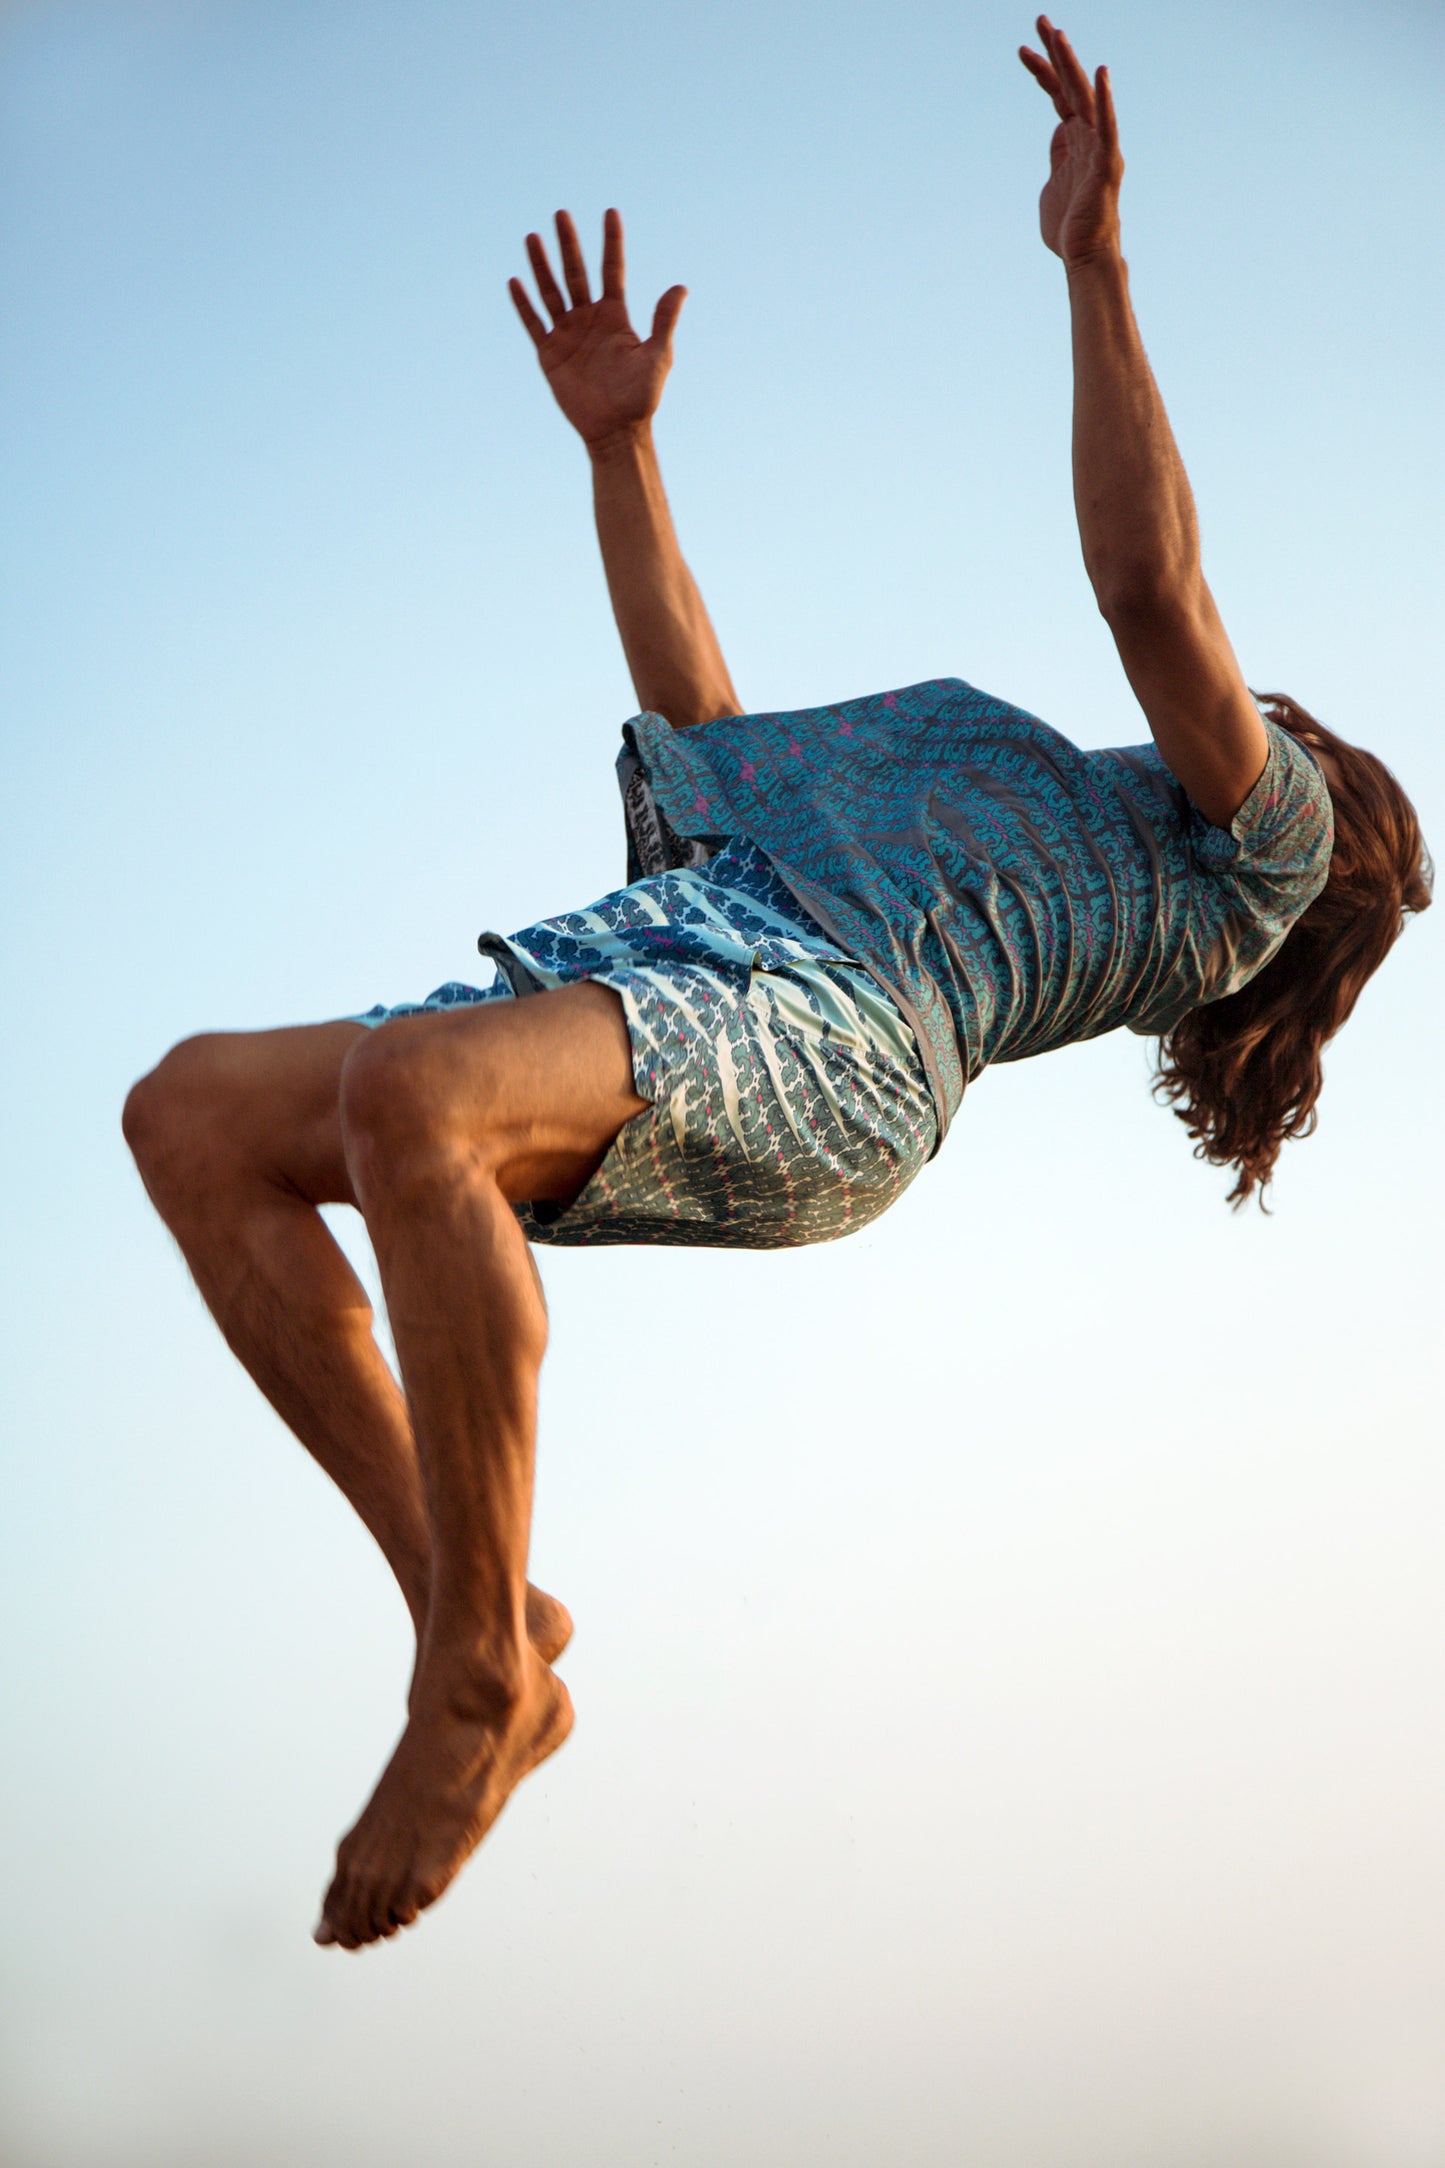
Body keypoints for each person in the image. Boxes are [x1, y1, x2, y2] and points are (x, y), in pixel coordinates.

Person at [122, 17, 1430, 1952]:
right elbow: (705, 733)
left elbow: (1151, 591)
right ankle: (491, 1631)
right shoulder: (1018, 789)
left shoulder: (1269, 856)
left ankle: (470, 1675)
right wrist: (625, 454)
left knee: (418, 1100)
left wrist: (1093, 271)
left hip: (847, 1035)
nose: (1248, 723)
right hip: (707, 940)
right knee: (200, 1115)